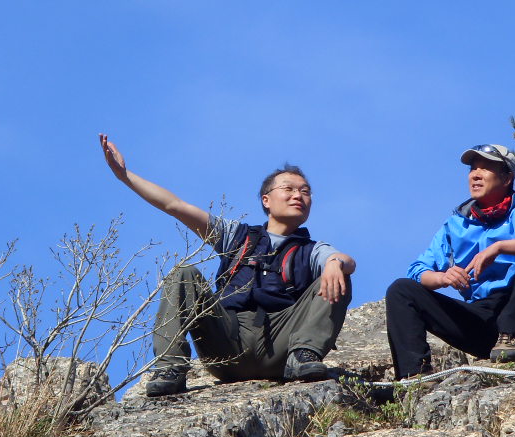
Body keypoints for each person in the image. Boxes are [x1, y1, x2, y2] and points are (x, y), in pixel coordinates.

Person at [99, 134, 356, 397]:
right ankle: (170, 369)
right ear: (266, 200)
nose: (298, 196)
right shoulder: (237, 236)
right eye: (288, 189)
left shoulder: (311, 249)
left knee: (339, 276)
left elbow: (347, 261)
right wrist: (125, 176)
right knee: (183, 274)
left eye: (305, 191)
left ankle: (304, 355)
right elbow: (174, 205)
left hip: (282, 342)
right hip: (228, 344)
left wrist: (335, 263)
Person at [386, 144, 515, 378]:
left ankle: (514, 335)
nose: (475, 175)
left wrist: (498, 248)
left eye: (486, 168)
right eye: (472, 169)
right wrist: (442, 277)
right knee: (401, 290)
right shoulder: (455, 225)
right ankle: (414, 377)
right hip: (483, 318)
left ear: (507, 178)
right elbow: (418, 270)